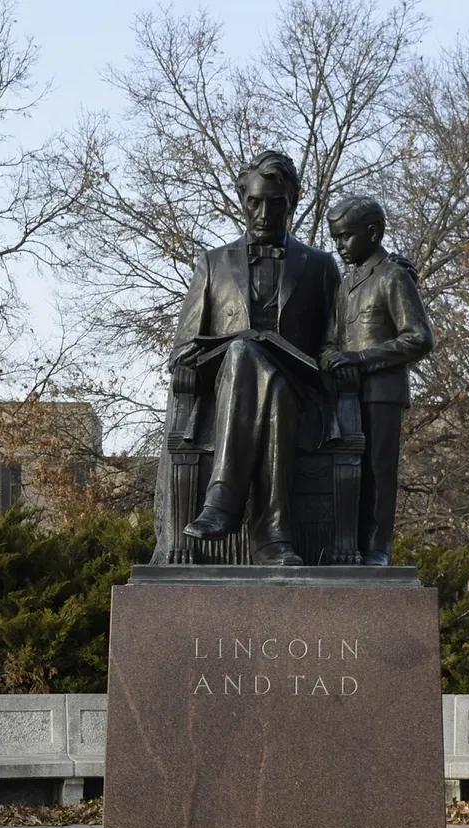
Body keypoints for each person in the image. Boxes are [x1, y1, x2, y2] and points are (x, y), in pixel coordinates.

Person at [166, 150, 342, 566]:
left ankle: (223, 502)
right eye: (254, 202)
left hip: (303, 389)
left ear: (294, 201)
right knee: (251, 358)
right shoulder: (212, 264)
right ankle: (273, 537)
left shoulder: (320, 266)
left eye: (276, 203)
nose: (264, 213)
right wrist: (192, 356)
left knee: (274, 378)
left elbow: (336, 339)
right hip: (226, 388)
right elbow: (180, 349)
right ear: (242, 199)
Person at [322, 194, 434, 565]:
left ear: (372, 233)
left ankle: (377, 548)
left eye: (346, 237)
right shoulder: (346, 285)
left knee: (377, 471)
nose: (339, 247)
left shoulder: (393, 276)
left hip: (382, 393)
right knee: (347, 471)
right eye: (335, 238)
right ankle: (347, 543)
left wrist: (360, 359)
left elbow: (419, 337)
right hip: (346, 395)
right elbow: (331, 340)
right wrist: (332, 358)